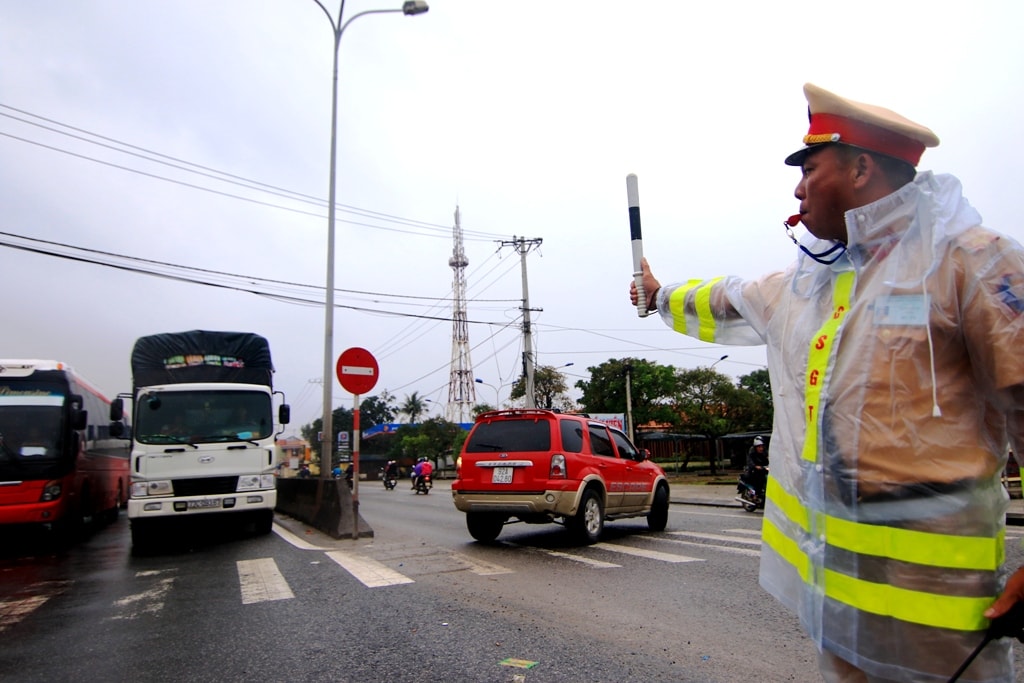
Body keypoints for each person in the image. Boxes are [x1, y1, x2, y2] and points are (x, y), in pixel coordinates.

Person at [630, 83, 1024, 682]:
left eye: (809, 169)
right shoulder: (810, 283)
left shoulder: (972, 262)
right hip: (839, 607)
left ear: (862, 168)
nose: (797, 188)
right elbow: (728, 298)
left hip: (946, 622)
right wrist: (659, 295)